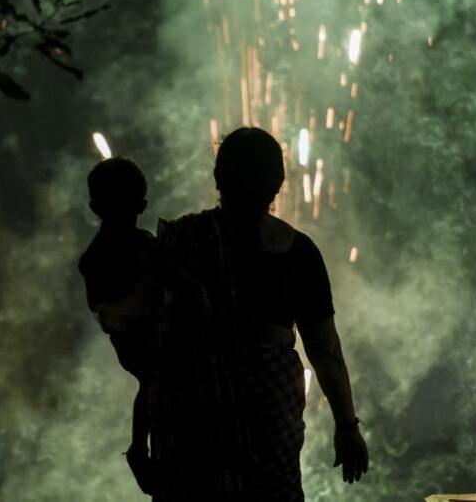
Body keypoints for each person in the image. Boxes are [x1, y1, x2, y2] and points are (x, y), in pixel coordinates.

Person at [151, 127, 368, 502]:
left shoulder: (181, 245)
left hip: (193, 429)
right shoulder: (298, 254)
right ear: (278, 185)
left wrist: (144, 441)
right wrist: (347, 427)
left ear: (219, 177)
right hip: (269, 424)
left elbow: (150, 347)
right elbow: (325, 352)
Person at [78, 157, 159, 493]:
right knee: (155, 379)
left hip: (138, 340)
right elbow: (109, 314)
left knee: (152, 383)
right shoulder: (139, 248)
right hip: (139, 340)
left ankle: (140, 448)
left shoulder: (101, 255)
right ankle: (139, 448)